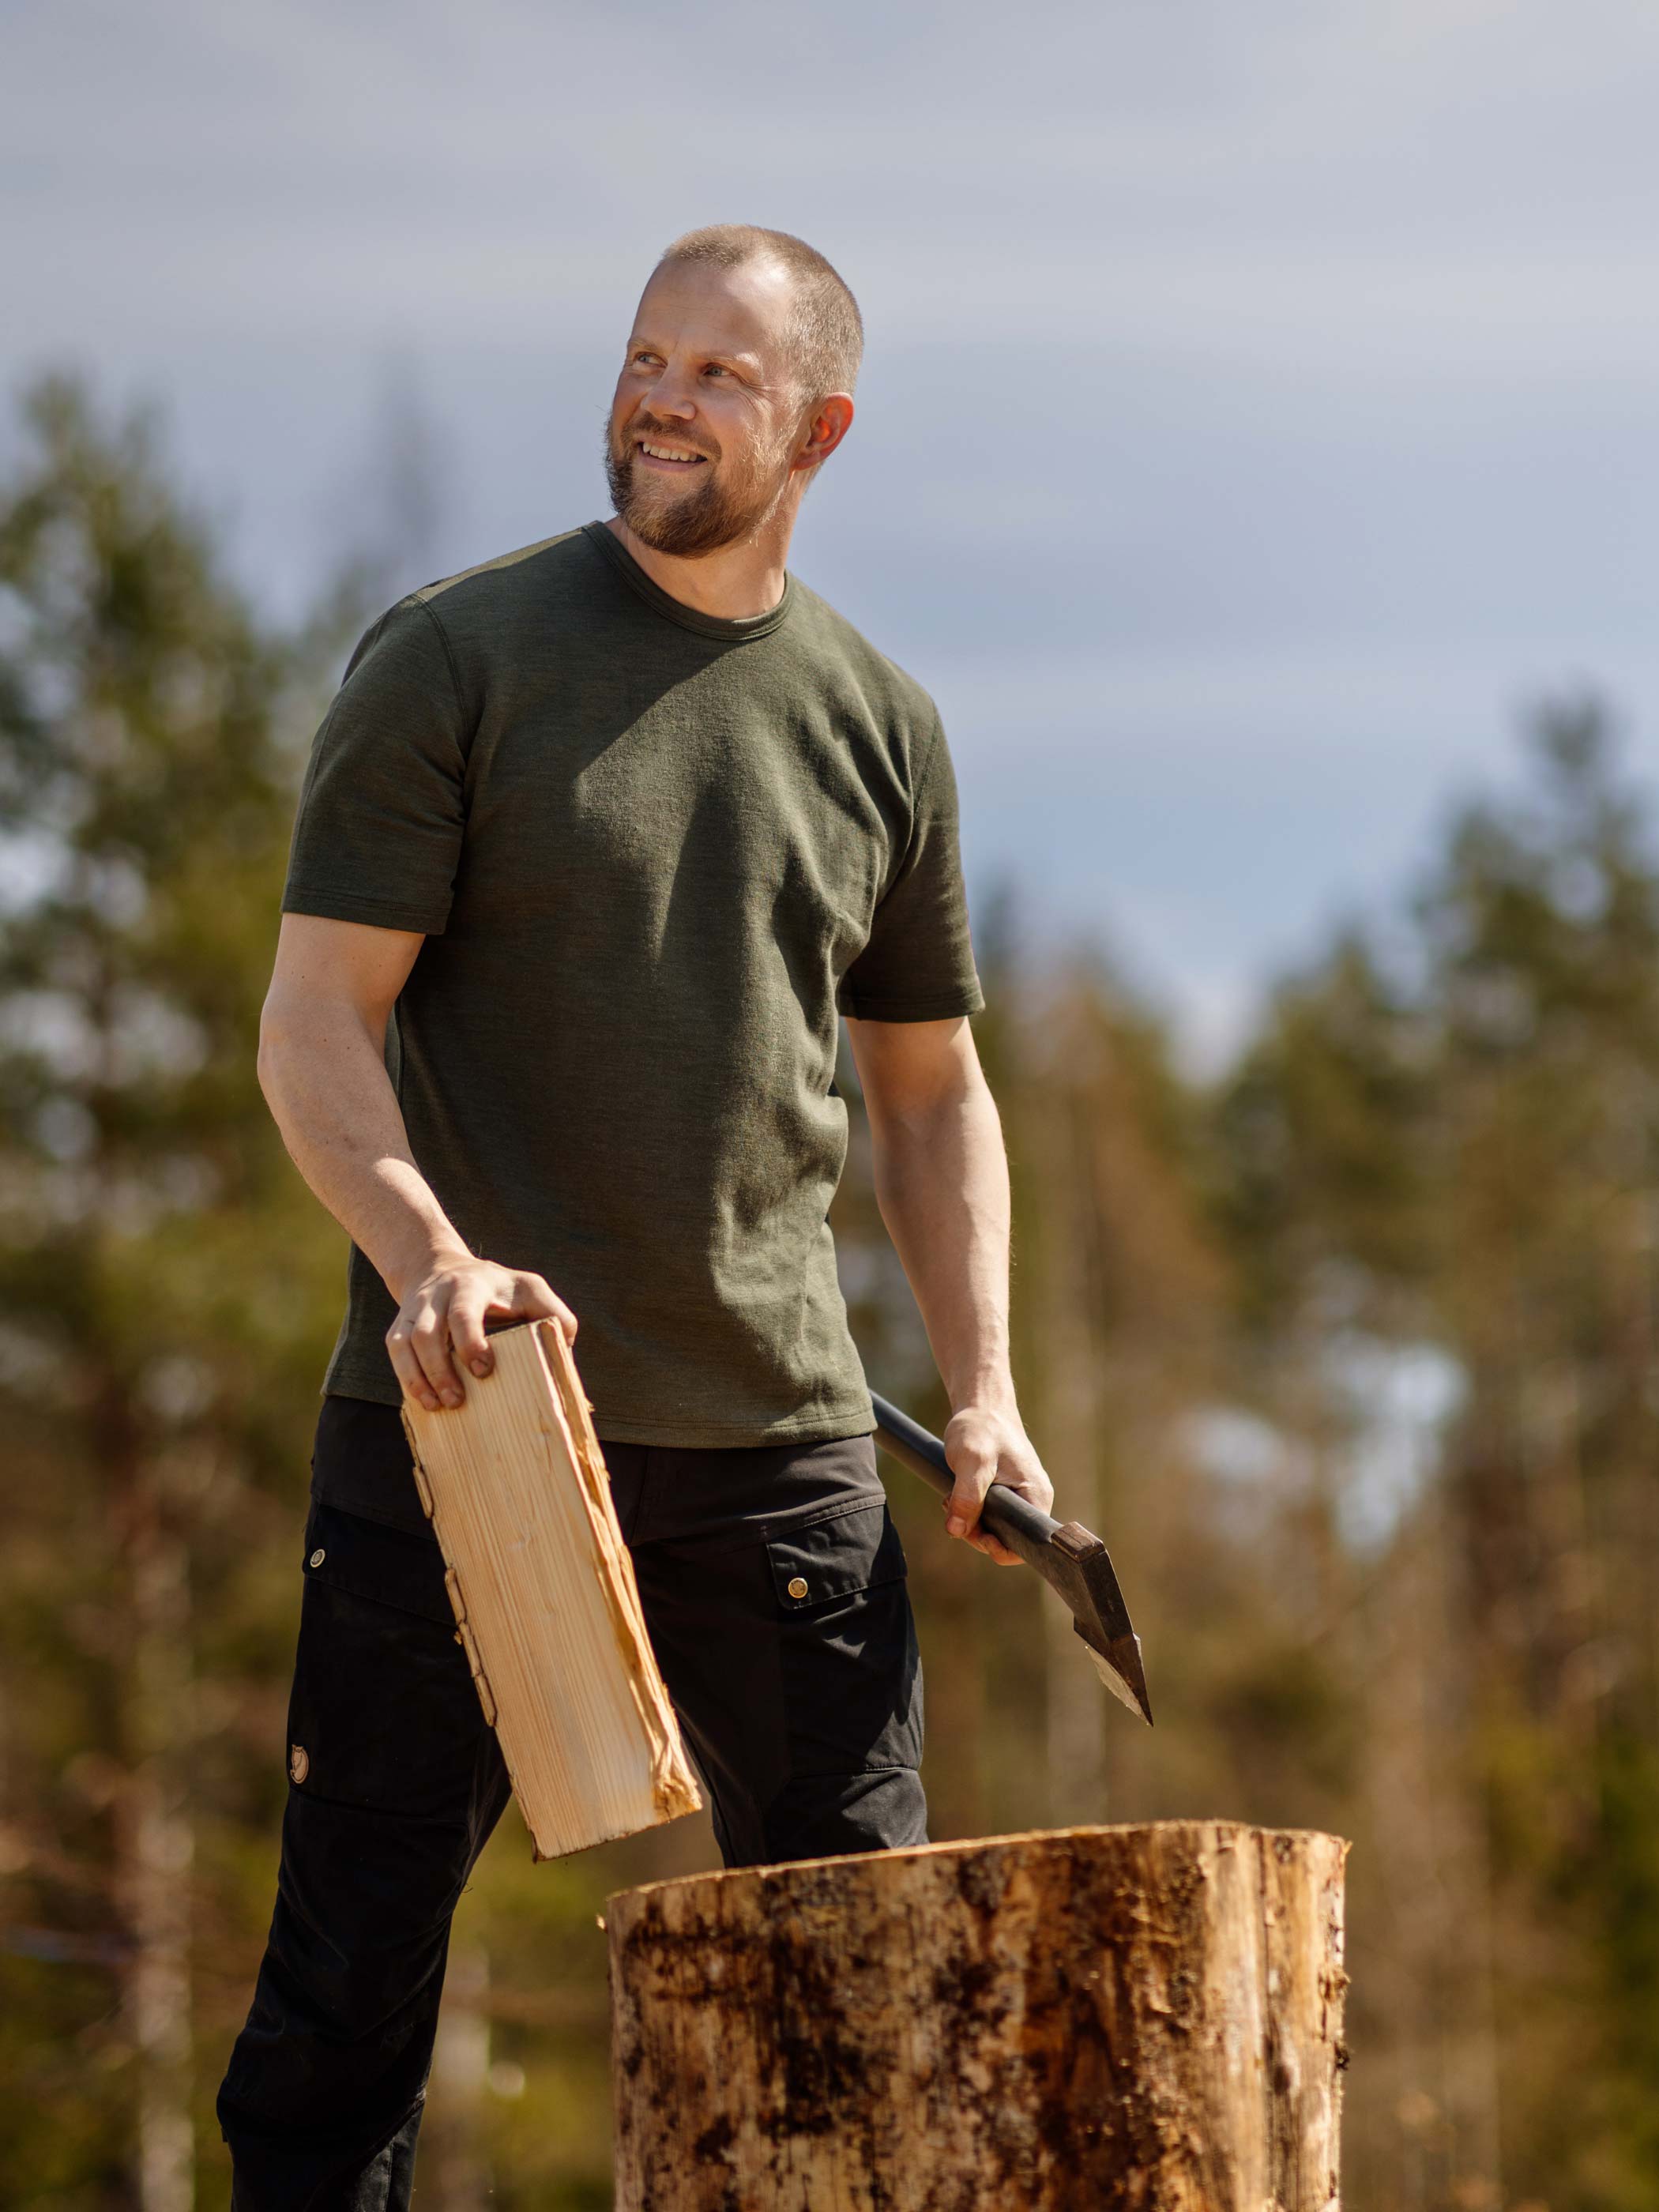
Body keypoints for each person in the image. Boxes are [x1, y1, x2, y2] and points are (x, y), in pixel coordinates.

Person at [217, 223, 1055, 2210]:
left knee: (870, 1991)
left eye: (722, 375)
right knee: (341, 2013)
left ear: (821, 428)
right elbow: (312, 1023)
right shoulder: (456, 654)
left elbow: (930, 1093)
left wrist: (994, 1386)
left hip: (782, 1447)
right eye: (646, 357)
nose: (662, 398)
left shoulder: (880, 723)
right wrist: (428, 1250)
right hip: (467, 1421)